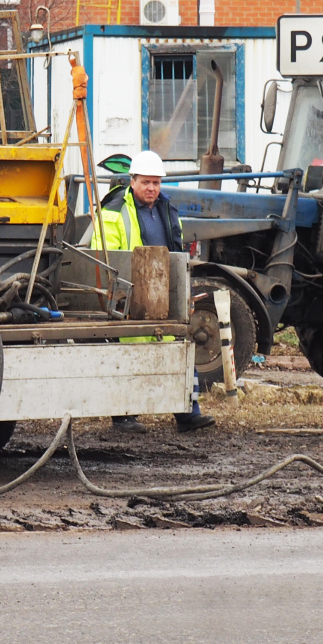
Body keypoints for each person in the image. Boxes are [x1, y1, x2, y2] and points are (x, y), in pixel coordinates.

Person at [90, 149, 215, 433]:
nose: (152, 188)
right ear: (132, 181)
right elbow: (105, 256)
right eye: (146, 182)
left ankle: (187, 412)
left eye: (156, 182)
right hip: (129, 294)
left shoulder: (167, 210)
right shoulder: (113, 212)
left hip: (163, 293)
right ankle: (124, 416)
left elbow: (177, 252)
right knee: (129, 355)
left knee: (179, 349)